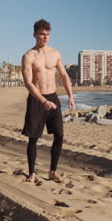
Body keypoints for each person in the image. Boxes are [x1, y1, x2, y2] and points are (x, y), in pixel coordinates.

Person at [21, 19, 75, 184]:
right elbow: (28, 83)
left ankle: (53, 171)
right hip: (37, 99)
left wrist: (70, 97)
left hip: (53, 97)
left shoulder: (55, 54)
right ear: (35, 34)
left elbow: (64, 76)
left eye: (48, 34)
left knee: (59, 134)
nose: (45, 37)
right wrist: (43, 101)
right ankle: (32, 173)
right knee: (33, 138)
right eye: (42, 34)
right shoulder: (28, 56)